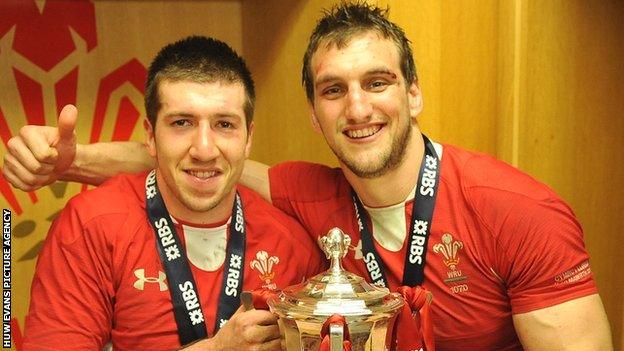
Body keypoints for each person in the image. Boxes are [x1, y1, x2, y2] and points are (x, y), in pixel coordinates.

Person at [2, 3, 613, 350]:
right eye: (332, 90)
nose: (357, 108)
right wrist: (67, 164)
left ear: (415, 93)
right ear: (314, 115)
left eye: (377, 82)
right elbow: (202, 161)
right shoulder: (312, 198)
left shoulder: (515, 210)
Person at [13, 36, 325, 350]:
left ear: (248, 139)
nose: (204, 149)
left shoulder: (293, 244)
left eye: (225, 124)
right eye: (182, 122)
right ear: (150, 136)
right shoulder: (91, 224)